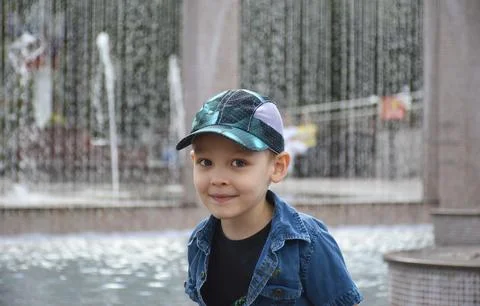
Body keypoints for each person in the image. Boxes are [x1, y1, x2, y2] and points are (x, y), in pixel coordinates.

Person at [176, 89, 363, 306]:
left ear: (277, 167)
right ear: (193, 161)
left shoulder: (307, 244)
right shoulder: (199, 241)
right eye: (205, 162)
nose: (218, 179)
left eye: (238, 163)